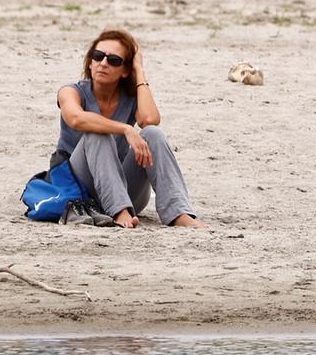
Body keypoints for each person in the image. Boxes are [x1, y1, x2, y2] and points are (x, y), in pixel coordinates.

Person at [55, 29, 208, 228]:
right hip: (79, 193)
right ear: (90, 62)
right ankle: (119, 212)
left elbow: (149, 120)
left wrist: (140, 71)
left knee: (153, 134)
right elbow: (76, 118)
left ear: (125, 70)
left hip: (125, 192)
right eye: (98, 56)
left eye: (114, 60)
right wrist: (126, 129)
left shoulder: (130, 97)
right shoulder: (71, 91)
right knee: (97, 133)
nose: (103, 63)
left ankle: (178, 213)